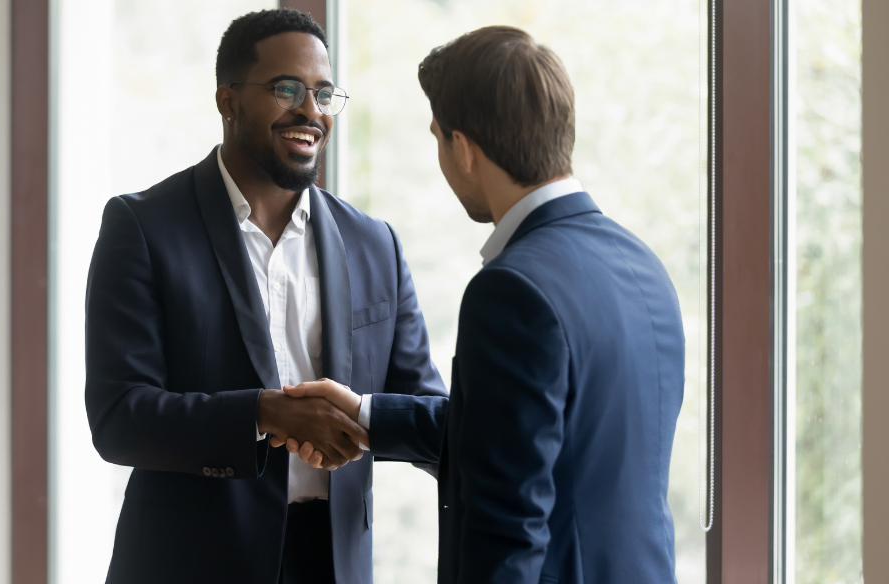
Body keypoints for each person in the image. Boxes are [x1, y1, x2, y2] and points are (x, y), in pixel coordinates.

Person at [289, 24, 685, 584]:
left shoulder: (512, 290)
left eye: (437, 137)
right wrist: (367, 414)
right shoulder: (643, 264)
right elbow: (536, 438)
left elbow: (509, 525)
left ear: (465, 149)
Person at [83, 8, 446, 584]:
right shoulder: (143, 227)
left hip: (333, 562)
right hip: (190, 564)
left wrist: (367, 418)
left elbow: (429, 414)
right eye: (287, 89)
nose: (311, 110)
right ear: (228, 100)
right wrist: (260, 412)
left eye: (324, 93)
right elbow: (118, 416)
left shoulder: (376, 244)